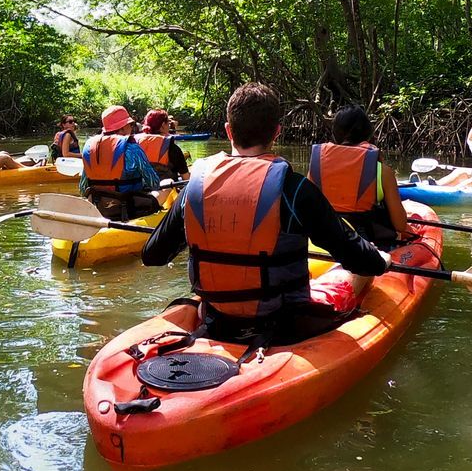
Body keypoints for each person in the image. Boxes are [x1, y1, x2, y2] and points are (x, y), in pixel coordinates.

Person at [142, 82, 387, 345]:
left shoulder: (194, 189)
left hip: (217, 317)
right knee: (364, 268)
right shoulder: (295, 190)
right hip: (286, 322)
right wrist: (381, 260)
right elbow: (358, 258)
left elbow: (152, 256)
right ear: (276, 133)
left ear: (228, 130)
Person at [309, 104, 413, 248]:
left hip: (323, 242)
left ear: (335, 133)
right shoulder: (383, 171)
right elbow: (400, 225)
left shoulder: (316, 166)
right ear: (367, 134)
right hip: (364, 247)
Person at [81, 105, 164, 218]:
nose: (131, 128)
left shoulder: (90, 149)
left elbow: (82, 188)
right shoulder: (132, 148)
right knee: (167, 185)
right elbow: (154, 184)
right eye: (130, 125)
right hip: (129, 208)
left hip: (99, 208)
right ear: (123, 128)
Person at [136, 108, 190, 179]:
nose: (169, 125)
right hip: (166, 187)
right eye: (168, 121)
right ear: (162, 125)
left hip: (140, 186)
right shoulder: (172, 148)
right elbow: (186, 177)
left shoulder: (135, 142)